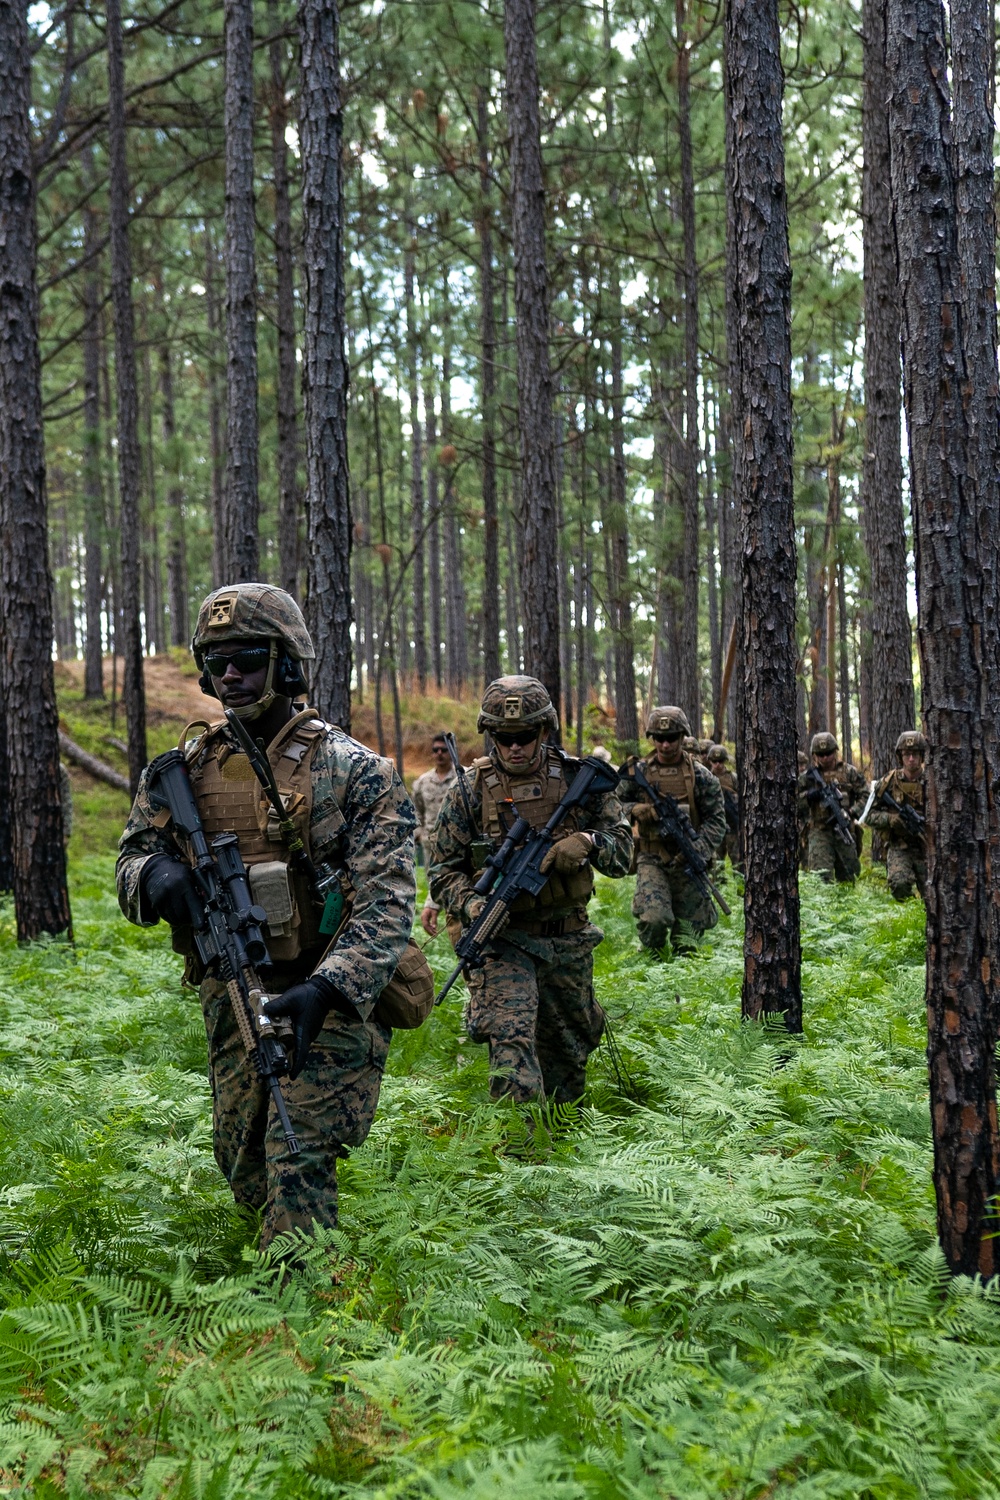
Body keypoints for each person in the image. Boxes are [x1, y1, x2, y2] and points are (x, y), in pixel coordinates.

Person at [116, 583, 416, 1249]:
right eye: (216, 660)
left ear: (286, 662)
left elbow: (387, 901)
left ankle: (301, 1323)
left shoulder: (351, 769)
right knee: (244, 1162)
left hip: (327, 999)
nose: (230, 674)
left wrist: (328, 987)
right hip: (232, 994)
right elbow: (130, 863)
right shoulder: (182, 773)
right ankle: (266, 1303)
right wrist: (156, 877)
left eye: (248, 657)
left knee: (297, 1155)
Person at [428, 675, 631, 1104]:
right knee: (511, 1050)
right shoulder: (467, 791)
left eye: (524, 736)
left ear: (544, 730)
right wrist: (472, 902)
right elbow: (443, 870)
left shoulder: (579, 779)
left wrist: (589, 842)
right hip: (504, 941)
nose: (514, 746)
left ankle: (562, 1156)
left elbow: (624, 853)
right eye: (503, 737)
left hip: (566, 938)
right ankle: (519, 1156)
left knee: (567, 1063)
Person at [618, 706, 726, 957]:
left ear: (682, 737)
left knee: (688, 940)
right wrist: (635, 809)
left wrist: (698, 849)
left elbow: (717, 819)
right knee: (654, 920)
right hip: (652, 857)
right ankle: (652, 962)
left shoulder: (701, 776)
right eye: (659, 738)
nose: (665, 745)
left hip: (689, 859)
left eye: (672, 738)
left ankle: (682, 985)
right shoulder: (638, 773)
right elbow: (611, 806)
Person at [797, 730, 867, 883]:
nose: (825, 758)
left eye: (828, 753)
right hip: (819, 831)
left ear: (835, 752)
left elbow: (865, 795)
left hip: (844, 828)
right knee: (820, 879)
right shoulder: (807, 778)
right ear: (814, 755)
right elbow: (792, 801)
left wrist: (852, 812)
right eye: (820, 754)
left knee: (848, 877)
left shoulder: (850, 772)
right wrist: (809, 796)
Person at [867, 730, 927, 901]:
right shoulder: (889, 782)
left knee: (933, 893)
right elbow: (869, 815)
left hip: (926, 846)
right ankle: (908, 917)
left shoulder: (932, 780)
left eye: (915, 754)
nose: (911, 759)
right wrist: (891, 819)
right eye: (907, 754)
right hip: (900, 846)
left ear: (922, 756)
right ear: (900, 756)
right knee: (899, 884)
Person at [412, 734, 458, 937]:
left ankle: (453, 917)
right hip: (430, 842)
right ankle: (433, 915)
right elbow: (416, 812)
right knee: (434, 881)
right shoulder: (422, 782)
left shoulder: (462, 779)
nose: (439, 754)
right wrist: (419, 835)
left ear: (452, 752)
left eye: (444, 750)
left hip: (457, 843)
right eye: (435, 750)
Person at [707, 744, 741, 873]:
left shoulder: (733, 778)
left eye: (720, 761)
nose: (718, 765)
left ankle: (740, 890)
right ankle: (719, 890)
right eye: (714, 761)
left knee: (737, 861)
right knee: (716, 864)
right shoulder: (707, 777)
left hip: (732, 825)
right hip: (714, 826)